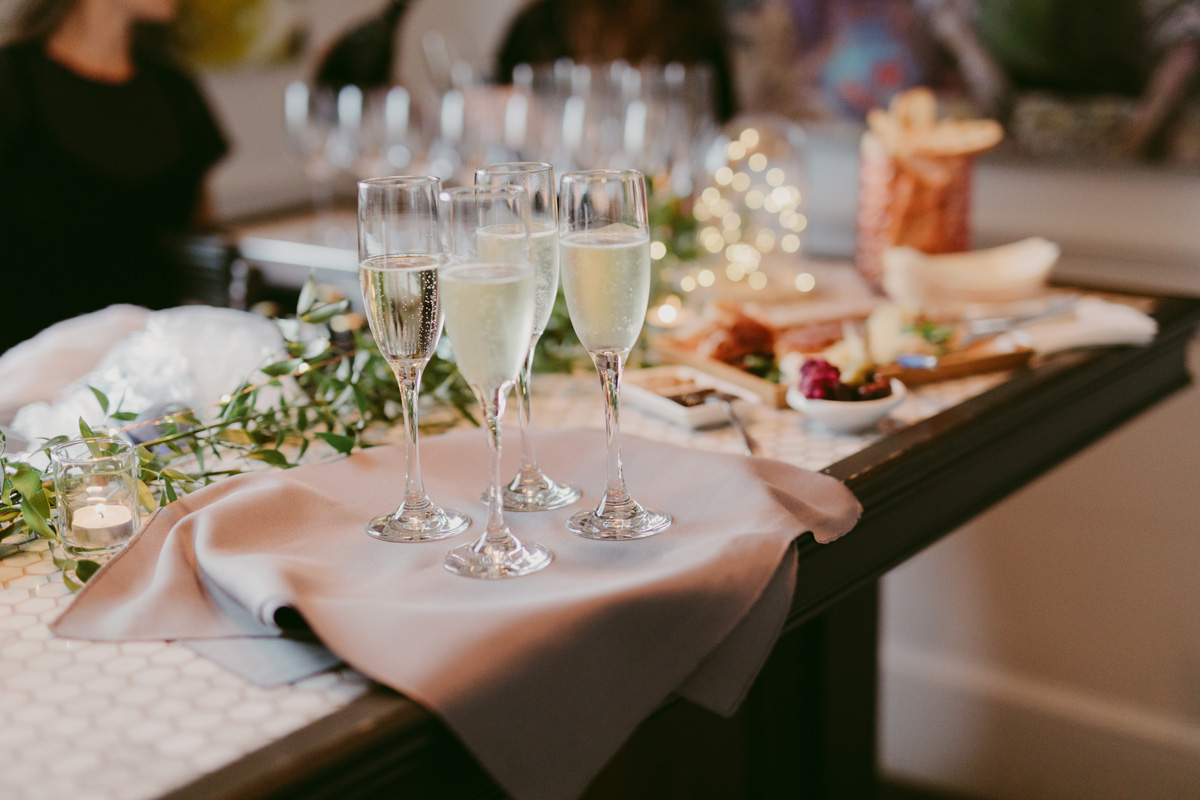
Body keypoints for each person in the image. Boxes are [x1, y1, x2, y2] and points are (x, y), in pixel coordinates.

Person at [0, 0, 228, 355]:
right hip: (26, 365)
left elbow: (198, 236)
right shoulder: (11, 81)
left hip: (152, 362)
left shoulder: (173, 89)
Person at [494, 0, 737, 121]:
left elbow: (719, 119)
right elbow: (499, 114)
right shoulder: (537, 25)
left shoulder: (691, 21)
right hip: (561, 194)